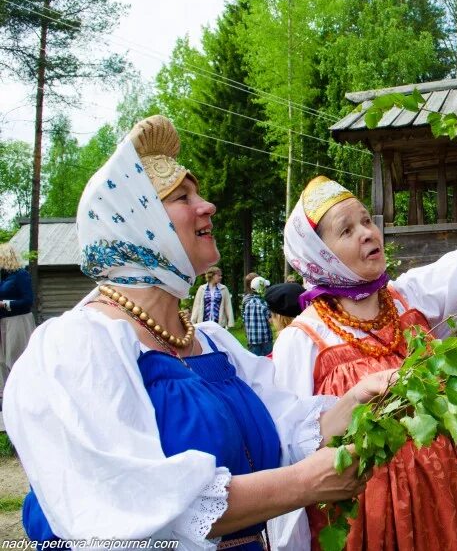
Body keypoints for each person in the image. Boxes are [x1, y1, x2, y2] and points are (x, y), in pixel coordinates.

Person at [4, 115, 395, 550]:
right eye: (183, 196)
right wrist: (304, 483)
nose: (207, 205)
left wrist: (357, 400)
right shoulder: (78, 346)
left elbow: (285, 428)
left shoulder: (211, 342)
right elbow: (134, 507)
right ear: (137, 223)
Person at [270, 107, 457, 551]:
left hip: (440, 501)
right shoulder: (303, 340)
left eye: (367, 220)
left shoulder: (411, 298)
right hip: (362, 522)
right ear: (318, 253)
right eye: (346, 230)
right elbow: (289, 451)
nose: (368, 233)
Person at [0, 243, 35, 402]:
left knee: (15, 357)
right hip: (2, 322)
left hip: (18, 320)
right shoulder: (3, 277)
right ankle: (6, 395)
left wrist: (5, 304)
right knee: (2, 360)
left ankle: (22, 394)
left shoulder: (21, 275)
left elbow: (28, 301)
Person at [242, 273, 273, 356]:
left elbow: (243, 318)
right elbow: (270, 319)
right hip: (265, 338)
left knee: (255, 361)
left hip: (252, 339)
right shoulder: (263, 302)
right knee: (268, 361)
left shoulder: (246, 301)